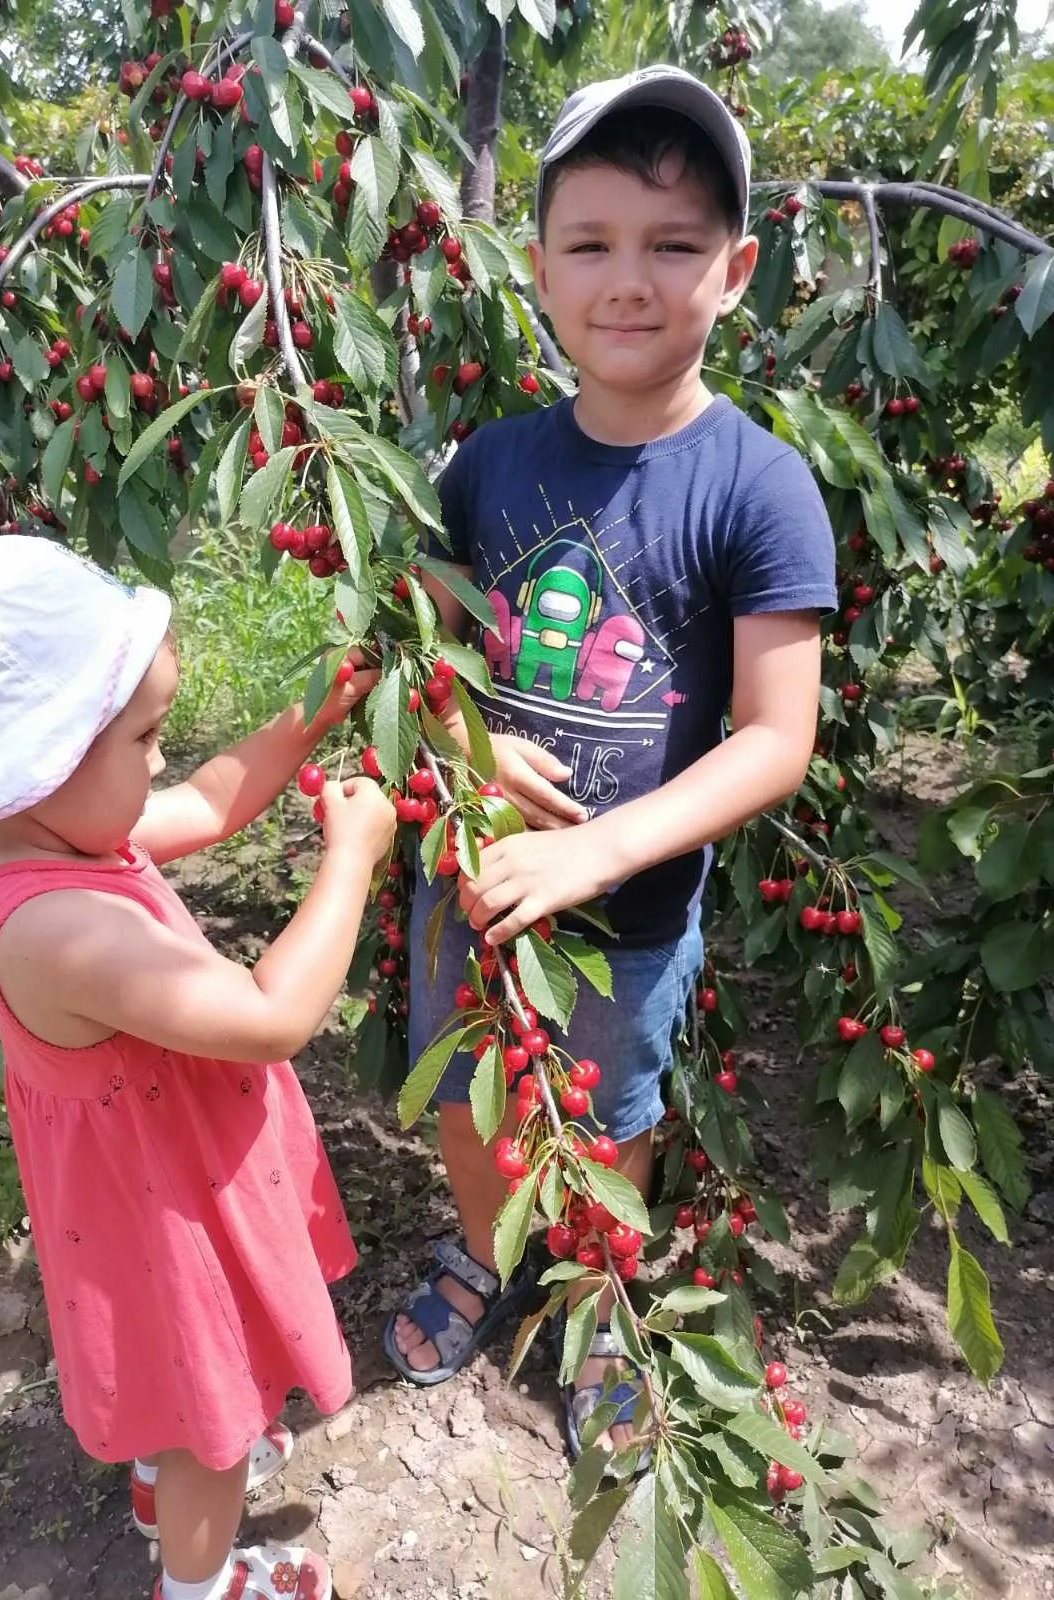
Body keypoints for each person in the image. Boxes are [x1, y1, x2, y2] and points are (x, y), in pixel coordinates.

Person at [384, 65, 837, 1464]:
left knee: (608, 1115)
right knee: (465, 1092)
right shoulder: (486, 466)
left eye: (674, 245)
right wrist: (463, 739)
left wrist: (602, 845)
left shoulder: (758, 486)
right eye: (589, 244)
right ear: (536, 265)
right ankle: (482, 1252)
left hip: (627, 920)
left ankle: (595, 1297)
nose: (627, 282)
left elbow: (777, 735)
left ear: (737, 269)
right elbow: (429, 660)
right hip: (465, 883)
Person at [0, 535, 396, 1600]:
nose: (163, 759)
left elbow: (208, 800)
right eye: (145, 735)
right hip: (166, 1218)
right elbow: (268, 1013)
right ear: (42, 761)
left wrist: (316, 711)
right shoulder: (58, 925)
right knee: (213, 1418)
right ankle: (198, 1580)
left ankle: (163, 1473)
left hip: (148, 1183)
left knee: (183, 1391)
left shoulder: (39, 832)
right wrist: (352, 855)